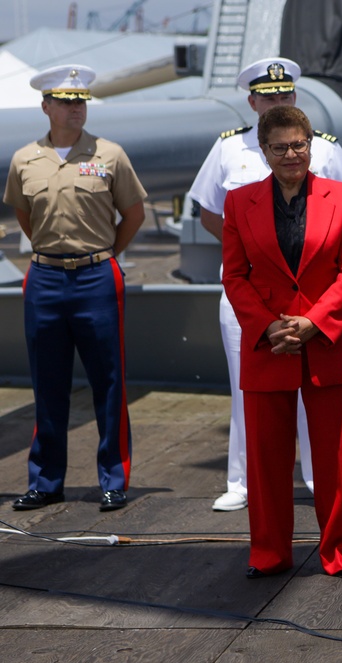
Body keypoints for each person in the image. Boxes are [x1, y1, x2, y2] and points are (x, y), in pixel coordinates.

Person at [188, 57, 342, 512]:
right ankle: (243, 482)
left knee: (319, 396)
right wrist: (253, 250)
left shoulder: (323, 150)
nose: (277, 101)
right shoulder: (229, 150)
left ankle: (315, 478)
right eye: (268, 96)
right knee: (246, 391)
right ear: (251, 101)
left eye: (286, 94)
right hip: (249, 295)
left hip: (314, 300)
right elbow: (212, 211)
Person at [222, 105, 342, 579]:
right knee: (265, 464)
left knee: (339, 460)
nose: (292, 154)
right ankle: (268, 553)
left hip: (328, 343)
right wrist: (267, 326)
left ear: (312, 144)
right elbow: (235, 275)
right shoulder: (238, 203)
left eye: (299, 144)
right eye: (280, 146)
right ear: (263, 151)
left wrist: (313, 323)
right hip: (268, 345)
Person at [4, 65, 146, 512]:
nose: (75, 109)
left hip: (97, 277)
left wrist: (102, 254)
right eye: (66, 102)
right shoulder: (25, 159)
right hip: (44, 277)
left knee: (108, 380)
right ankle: (46, 481)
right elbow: (24, 216)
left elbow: (134, 214)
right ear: (46, 107)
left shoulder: (111, 154)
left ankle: (113, 479)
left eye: (80, 101)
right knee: (48, 383)